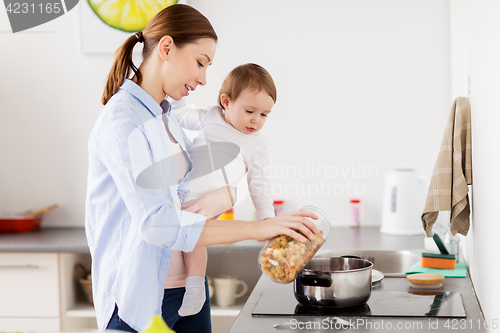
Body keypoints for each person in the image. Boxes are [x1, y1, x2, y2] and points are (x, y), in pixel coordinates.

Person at [85, 4, 319, 333]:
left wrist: (229, 195)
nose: (204, 78)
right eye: (200, 62)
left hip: (188, 292)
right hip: (139, 303)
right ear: (166, 48)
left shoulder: (166, 118)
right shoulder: (123, 121)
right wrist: (257, 229)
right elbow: (159, 225)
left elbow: (193, 189)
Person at [167, 63, 278, 317]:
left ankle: (195, 287)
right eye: (250, 110)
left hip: (207, 202)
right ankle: (191, 286)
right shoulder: (211, 116)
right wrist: (180, 93)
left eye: (264, 115)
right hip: (181, 192)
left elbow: (259, 183)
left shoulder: (256, 144)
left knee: (195, 241)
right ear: (226, 101)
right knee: (184, 238)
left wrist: (266, 219)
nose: (256, 120)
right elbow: (179, 116)